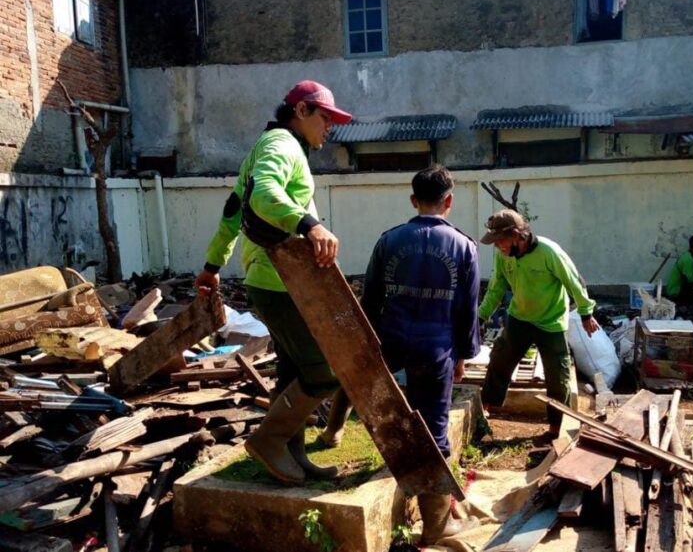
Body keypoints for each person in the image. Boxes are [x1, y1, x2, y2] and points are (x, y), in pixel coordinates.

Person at [195, 80, 351, 485]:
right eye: (325, 117)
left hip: (275, 282)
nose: (329, 127)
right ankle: (269, 441)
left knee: (291, 371)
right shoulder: (282, 145)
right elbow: (264, 195)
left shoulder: (263, 149)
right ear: (301, 111)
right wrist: (310, 225)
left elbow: (233, 214)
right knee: (324, 371)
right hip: (281, 283)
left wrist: (213, 264)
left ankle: (294, 455)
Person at [358, 164, 481, 544]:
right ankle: (435, 525)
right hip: (435, 349)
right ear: (450, 201)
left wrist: (372, 349)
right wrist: (462, 355)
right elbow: (467, 310)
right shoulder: (464, 246)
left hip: (392, 345)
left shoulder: (389, 240)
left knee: (389, 417)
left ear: (413, 200)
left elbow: (370, 300)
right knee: (435, 428)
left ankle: (339, 437)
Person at [478, 209, 598, 438]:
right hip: (519, 318)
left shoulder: (548, 251)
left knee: (558, 376)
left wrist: (586, 313)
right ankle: (485, 412)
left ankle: (555, 429)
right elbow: (496, 287)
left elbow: (574, 282)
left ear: (516, 235)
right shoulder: (503, 254)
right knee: (499, 362)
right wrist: (480, 316)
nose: (498, 246)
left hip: (551, 322)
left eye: (501, 240)